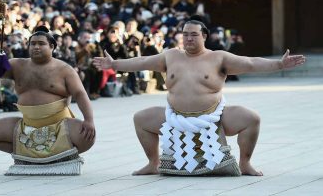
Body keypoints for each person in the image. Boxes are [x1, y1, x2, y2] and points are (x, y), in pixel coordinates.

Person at [93, 20, 305, 176]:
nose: (188, 38)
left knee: (251, 119)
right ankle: (152, 162)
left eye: (193, 34)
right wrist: (115, 65)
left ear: (204, 36)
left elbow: (249, 63)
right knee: (141, 118)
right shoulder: (171, 56)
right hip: (175, 118)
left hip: (213, 118)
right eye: (185, 34)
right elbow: (144, 61)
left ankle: (245, 163)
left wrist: (279, 64)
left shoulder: (218, 57)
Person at [0, 26, 95, 160]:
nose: (36, 47)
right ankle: (28, 155)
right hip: (27, 125)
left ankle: (58, 155)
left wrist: (89, 120)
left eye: (41, 44)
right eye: (33, 44)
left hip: (59, 125)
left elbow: (80, 94)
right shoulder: (17, 64)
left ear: (52, 46)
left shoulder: (65, 69)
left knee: (87, 137)